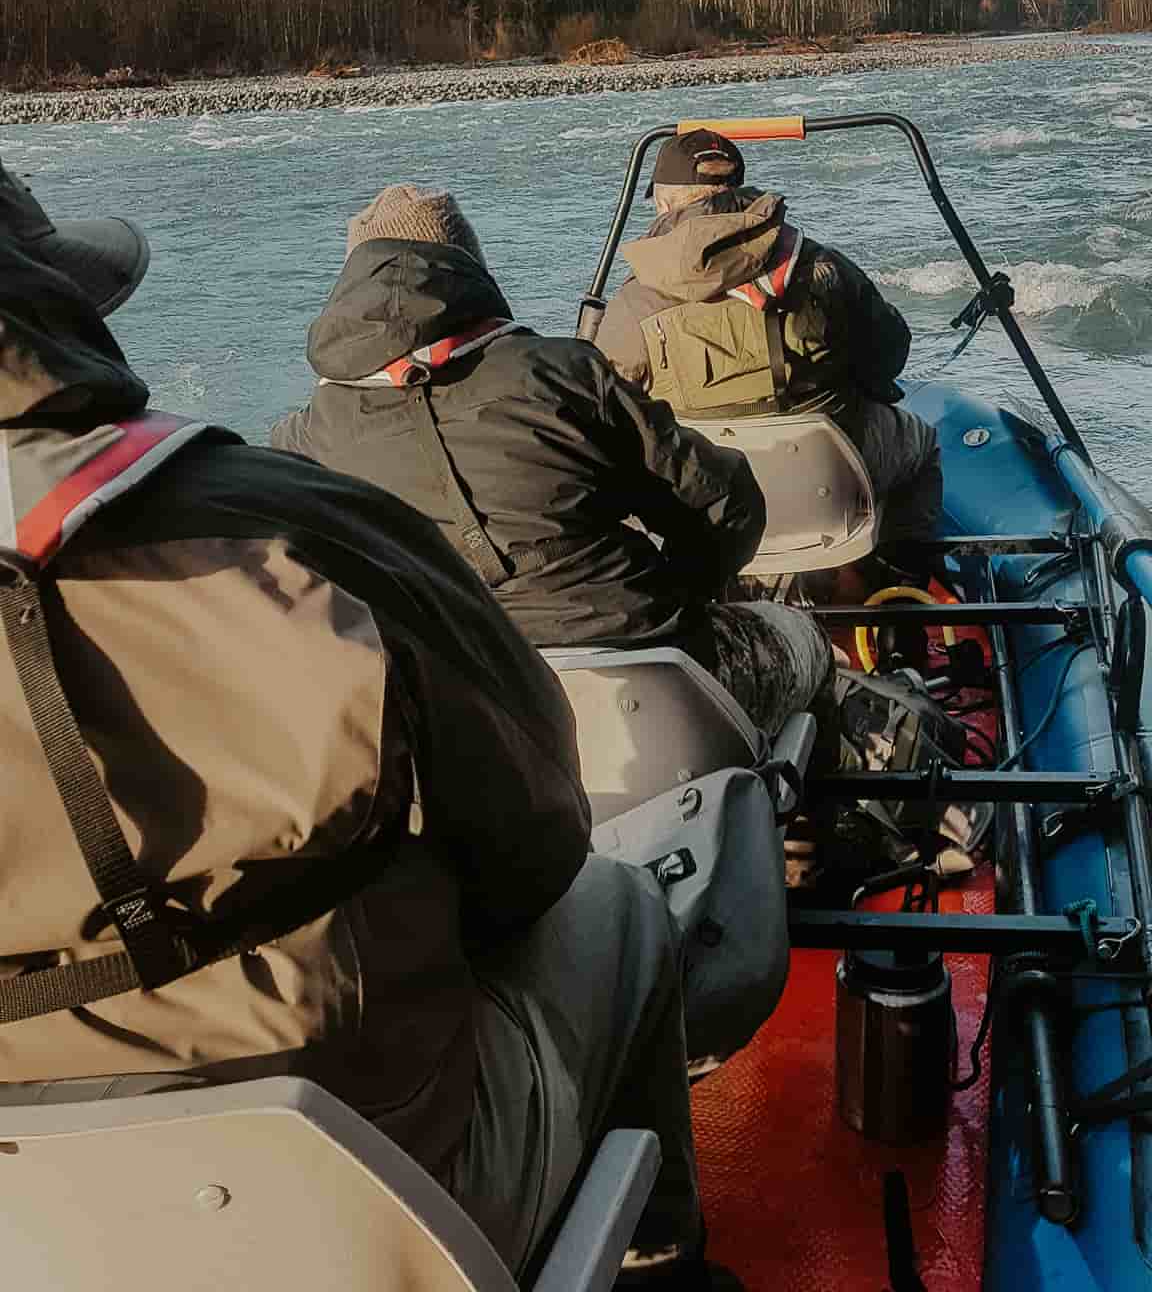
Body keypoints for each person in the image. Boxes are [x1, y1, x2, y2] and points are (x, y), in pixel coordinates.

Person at [0, 163, 712, 1287]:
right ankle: (662, 1264)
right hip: (366, 1173)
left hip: (37, 1225)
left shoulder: (306, 440)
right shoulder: (286, 515)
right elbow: (536, 839)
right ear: (56, 310)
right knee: (616, 905)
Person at [271, 184, 834, 743]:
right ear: (467, 269)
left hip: (458, 711)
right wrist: (687, 591)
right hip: (647, 672)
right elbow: (725, 503)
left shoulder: (306, 436)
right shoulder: (560, 373)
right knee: (806, 639)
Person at [594, 130, 943, 579]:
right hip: (828, 481)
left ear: (664, 204)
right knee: (922, 442)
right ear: (739, 190)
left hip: (703, 492)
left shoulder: (633, 301)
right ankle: (901, 586)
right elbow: (890, 352)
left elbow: (605, 407)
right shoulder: (820, 266)